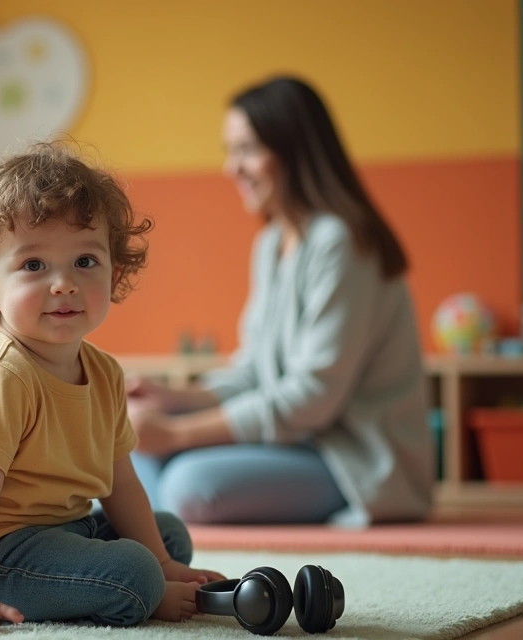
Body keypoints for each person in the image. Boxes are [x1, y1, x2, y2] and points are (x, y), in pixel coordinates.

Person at [0, 142, 225, 636]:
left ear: (115, 273)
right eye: (34, 265)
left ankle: (134, 575)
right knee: (136, 574)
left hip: (53, 530)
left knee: (167, 536)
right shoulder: (0, 375)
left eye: (85, 261)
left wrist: (163, 562)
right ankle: (135, 589)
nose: (64, 284)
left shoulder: (105, 373)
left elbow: (121, 483)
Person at [126, 76, 433, 528]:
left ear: (296, 151)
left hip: (351, 459)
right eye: (229, 151)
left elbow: (313, 398)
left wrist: (176, 432)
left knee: (189, 485)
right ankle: (148, 530)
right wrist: (176, 398)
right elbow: (254, 372)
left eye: (247, 149)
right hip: (294, 443)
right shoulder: (272, 244)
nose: (232, 168)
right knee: (129, 448)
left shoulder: (340, 242)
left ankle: (148, 524)